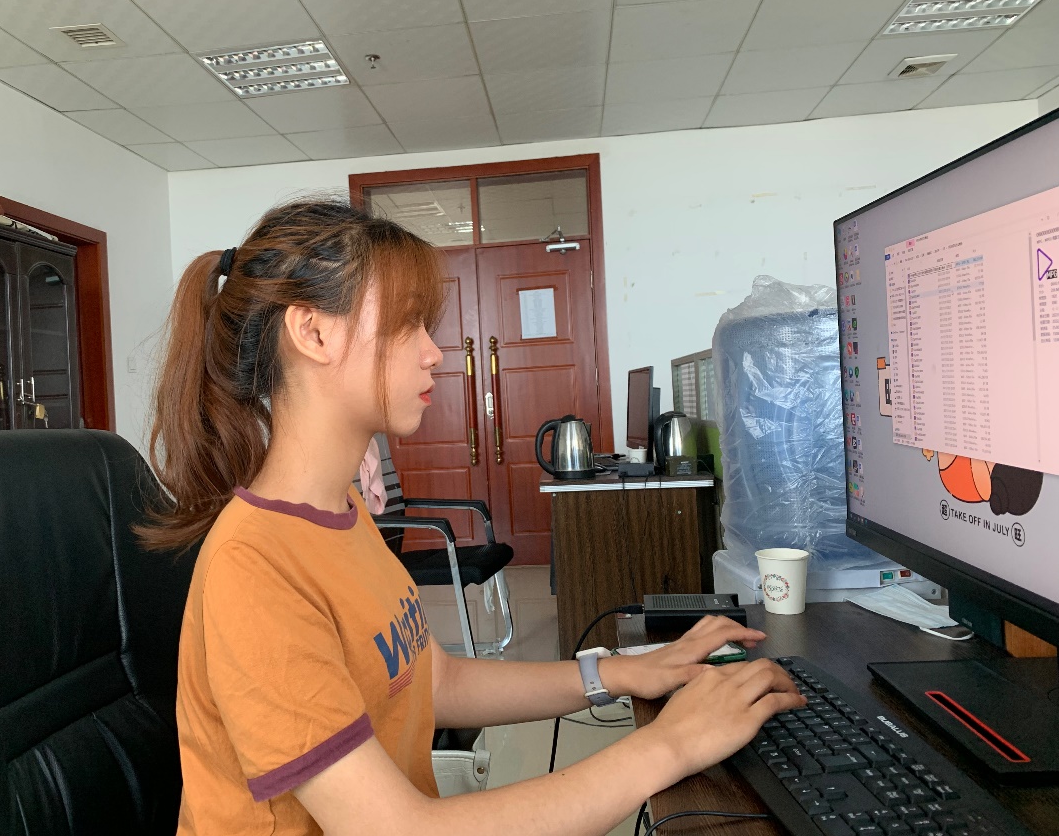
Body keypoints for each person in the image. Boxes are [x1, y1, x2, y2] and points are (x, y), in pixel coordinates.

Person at [140, 198, 804, 836]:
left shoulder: (341, 512)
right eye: (407, 324)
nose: (433, 352)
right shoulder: (254, 569)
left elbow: (437, 680)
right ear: (313, 331)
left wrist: (618, 672)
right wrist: (671, 745)